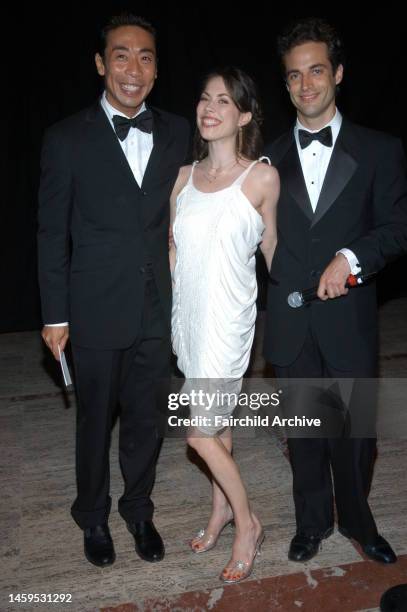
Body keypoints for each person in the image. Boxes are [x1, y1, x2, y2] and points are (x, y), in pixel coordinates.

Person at [37, 13, 189, 567]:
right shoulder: (66, 138)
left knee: (147, 420)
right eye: (121, 55)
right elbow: (52, 233)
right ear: (102, 65)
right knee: (94, 420)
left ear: (156, 69)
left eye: (145, 57)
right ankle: (93, 516)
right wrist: (55, 314)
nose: (133, 68)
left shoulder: (177, 131)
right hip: (94, 307)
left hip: (158, 308)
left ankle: (138, 508)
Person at [264, 17, 407, 564]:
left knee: (356, 434)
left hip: (349, 316)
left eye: (316, 71)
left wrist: (350, 258)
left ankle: (358, 521)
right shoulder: (269, 157)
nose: (305, 85)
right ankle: (312, 522)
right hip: (292, 319)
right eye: (294, 76)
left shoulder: (380, 149)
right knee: (304, 434)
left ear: (339, 73)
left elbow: (396, 229)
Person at [169, 66, 280, 583]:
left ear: (244, 115)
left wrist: (289, 318)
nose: (209, 108)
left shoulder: (260, 176)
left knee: (199, 435)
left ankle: (247, 523)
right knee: (220, 429)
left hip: (229, 323)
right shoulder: (183, 178)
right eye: (204, 98)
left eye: (223, 101)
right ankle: (217, 512)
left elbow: (272, 250)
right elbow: (173, 246)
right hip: (189, 321)